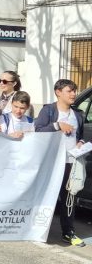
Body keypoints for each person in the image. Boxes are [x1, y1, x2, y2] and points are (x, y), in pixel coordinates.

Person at [34, 79, 86, 247]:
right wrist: (57, 125)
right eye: (69, 91)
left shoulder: (78, 114)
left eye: (74, 91)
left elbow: (80, 135)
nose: (73, 94)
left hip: (70, 162)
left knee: (69, 198)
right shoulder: (48, 110)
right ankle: (37, 229)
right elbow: (37, 130)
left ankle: (68, 232)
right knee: (45, 195)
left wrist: (81, 143)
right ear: (58, 92)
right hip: (51, 162)